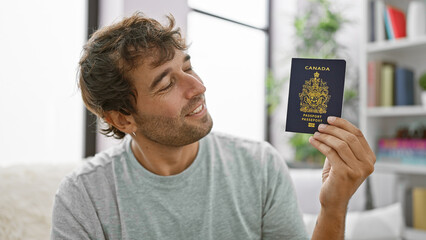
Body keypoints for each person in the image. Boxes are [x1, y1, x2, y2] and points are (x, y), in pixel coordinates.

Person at [51, 12, 375, 240]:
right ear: (122, 118)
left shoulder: (259, 165)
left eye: (188, 67)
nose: (197, 87)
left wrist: (333, 206)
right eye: (166, 84)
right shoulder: (82, 197)